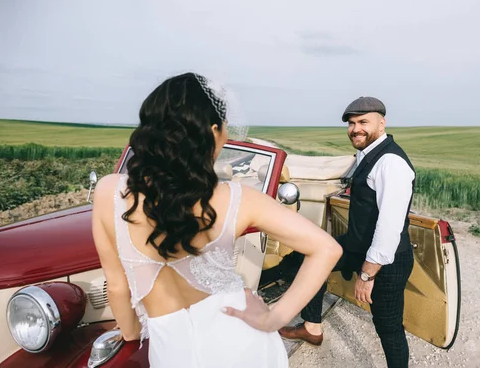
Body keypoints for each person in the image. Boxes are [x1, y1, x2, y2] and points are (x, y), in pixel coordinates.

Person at [91, 73, 342, 368]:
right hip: (241, 346)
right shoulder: (238, 198)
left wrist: (132, 333)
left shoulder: (108, 191)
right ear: (212, 131)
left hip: (170, 353)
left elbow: (118, 286)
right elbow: (328, 249)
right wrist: (274, 317)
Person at [274, 96, 416, 368]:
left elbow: (389, 227)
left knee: (388, 328)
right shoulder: (366, 156)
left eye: (363, 122)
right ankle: (312, 327)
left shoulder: (391, 163)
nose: (355, 129)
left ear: (382, 122)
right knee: (312, 261)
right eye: (351, 124)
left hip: (385, 261)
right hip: (356, 245)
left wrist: (366, 274)